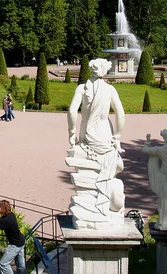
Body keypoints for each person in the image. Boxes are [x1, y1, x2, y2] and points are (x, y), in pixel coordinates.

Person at [67, 58, 126, 226]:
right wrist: (118, 135)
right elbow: (120, 114)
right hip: (105, 134)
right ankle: (102, 207)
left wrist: (71, 133)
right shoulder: (110, 89)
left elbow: (72, 111)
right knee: (110, 169)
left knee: (91, 168)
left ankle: (91, 210)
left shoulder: (82, 88)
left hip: (87, 135)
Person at [0, 199, 26, 274]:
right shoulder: (10, 215)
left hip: (15, 244)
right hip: (21, 241)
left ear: (3, 208)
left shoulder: (6, 220)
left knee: (3, 264)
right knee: (20, 265)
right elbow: (1, 221)